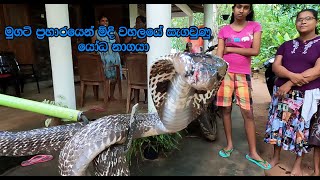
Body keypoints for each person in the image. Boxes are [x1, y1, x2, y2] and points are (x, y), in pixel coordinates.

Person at [264, 9, 320, 176]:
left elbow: (317, 71)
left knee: (300, 130)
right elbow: (276, 67)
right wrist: (291, 77)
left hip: (306, 95)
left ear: (316, 22)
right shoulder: (286, 45)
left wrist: (289, 83)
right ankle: (275, 157)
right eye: (299, 19)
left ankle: (298, 163)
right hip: (282, 93)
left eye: (307, 19)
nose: (302, 22)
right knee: (277, 126)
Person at [216, 4, 271, 170]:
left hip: (242, 74)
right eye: (239, 6)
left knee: (248, 112)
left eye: (246, 7)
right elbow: (220, 54)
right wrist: (218, 71)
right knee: (225, 110)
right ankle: (229, 145)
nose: (241, 10)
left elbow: (255, 51)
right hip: (226, 73)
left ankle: (253, 152)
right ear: (233, 8)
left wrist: (230, 48)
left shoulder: (255, 27)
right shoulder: (224, 30)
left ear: (249, 10)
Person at [91, 15, 122, 101]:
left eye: (106, 21)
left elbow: (118, 42)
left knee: (114, 78)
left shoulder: (112, 32)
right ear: (99, 22)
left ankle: (111, 95)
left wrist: (116, 34)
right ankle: (105, 96)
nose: (105, 23)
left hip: (114, 56)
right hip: (102, 58)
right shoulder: (96, 33)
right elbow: (93, 47)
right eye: (103, 21)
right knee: (104, 77)